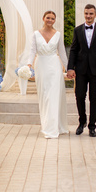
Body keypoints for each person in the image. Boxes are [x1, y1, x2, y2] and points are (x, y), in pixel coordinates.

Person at [67, 4, 96, 137]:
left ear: (95, 15)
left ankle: (92, 126)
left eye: (91, 14)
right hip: (80, 70)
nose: (88, 16)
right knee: (79, 96)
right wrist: (70, 68)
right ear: (84, 14)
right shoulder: (77, 30)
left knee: (94, 98)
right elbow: (73, 50)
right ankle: (82, 122)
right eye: (86, 13)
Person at [27, 10, 69, 139]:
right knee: (44, 96)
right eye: (48, 18)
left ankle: (53, 129)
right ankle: (47, 125)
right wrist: (29, 65)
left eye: (52, 18)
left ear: (54, 20)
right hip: (41, 66)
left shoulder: (58, 35)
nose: (50, 20)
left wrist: (69, 69)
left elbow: (62, 53)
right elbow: (32, 50)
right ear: (43, 18)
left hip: (54, 67)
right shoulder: (35, 34)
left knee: (53, 96)